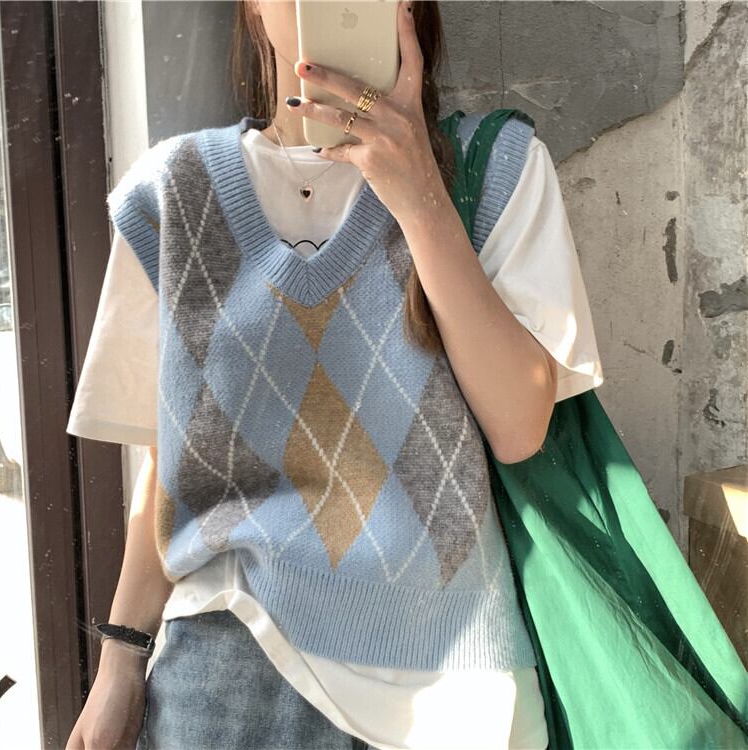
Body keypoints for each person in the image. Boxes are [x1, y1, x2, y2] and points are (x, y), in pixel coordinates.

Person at [65, 1, 604, 749]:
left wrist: (418, 193)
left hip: (452, 682)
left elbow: (519, 428)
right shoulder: (170, 191)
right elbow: (171, 462)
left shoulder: (498, 167)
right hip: (226, 670)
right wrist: (120, 662)